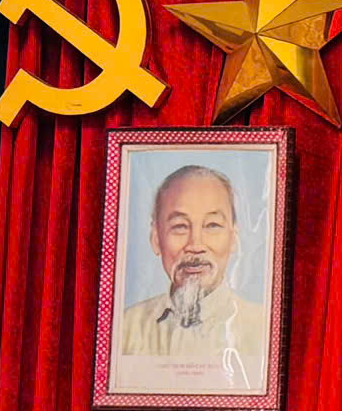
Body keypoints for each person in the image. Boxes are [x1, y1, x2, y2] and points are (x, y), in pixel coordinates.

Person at [110, 162, 269, 393]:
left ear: (234, 238)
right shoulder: (125, 329)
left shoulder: (264, 330)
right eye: (180, 226)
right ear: (156, 238)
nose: (195, 245)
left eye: (212, 225)